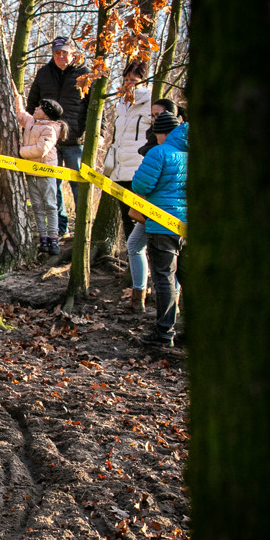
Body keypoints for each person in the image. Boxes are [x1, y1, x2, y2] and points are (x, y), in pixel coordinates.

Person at [26, 36, 91, 238]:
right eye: (56, 53)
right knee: (53, 186)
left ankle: (82, 229)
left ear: (73, 53)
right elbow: (31, 103)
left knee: (79, 186)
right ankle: (61, 228)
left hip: (74, 140)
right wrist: (29, 130)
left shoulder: (85, 74)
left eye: (64, 52)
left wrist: (95, 134)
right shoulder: (44, 73)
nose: (61, 56)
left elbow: (95, 108)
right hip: (47, 141)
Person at [131, 111, 187, 347]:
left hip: (162, 223)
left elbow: (141, 184)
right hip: (185, 224)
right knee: (185, 277)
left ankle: (164, 331)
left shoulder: (160, 152)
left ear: (161, 133)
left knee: (164, 278)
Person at [106, 60, 154, 312]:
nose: (129, 84)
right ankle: (138, 286)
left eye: (134, 81)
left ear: (144, 82)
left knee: (147, 232)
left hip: (141, 173)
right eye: (126, 80)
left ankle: (152, 287)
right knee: (128, 228)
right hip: (120, 173)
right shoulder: (120, 104)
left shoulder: (150, 104)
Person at [13, 93, 67, 256]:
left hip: (45, 171)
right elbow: (20, 113)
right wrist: (17, 97)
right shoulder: (31, 122)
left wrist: (20, 151)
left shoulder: (51, 128)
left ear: (46, 112)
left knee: (50, 205)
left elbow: (40, 149)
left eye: (39, 107)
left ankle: (53, 237)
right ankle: (43, 237)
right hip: (30, 171)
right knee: (36, 205)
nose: (35, 108)